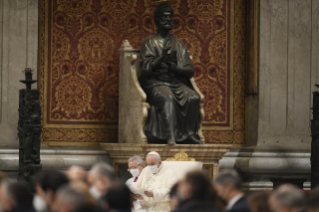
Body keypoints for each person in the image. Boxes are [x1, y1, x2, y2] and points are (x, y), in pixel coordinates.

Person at [139, 3, 202, 145]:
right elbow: (144, 69)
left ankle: (189, 134)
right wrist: (160, 58)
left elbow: (189, 70)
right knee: (167, 97)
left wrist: (177, 69)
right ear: (157, 21)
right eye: (164, 18)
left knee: (193, 97)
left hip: (176, 82)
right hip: (156, 82)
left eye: (170, 18)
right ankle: (170, 136)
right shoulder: (150, 42)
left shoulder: (178, 44)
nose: (168, 21)